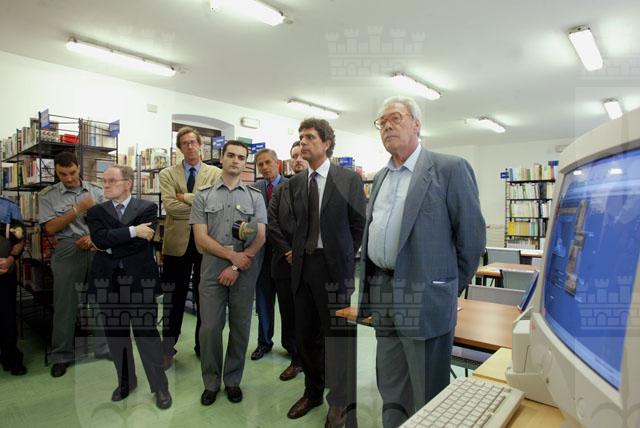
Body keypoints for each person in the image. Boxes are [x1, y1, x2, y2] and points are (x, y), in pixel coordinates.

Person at [358, 96, 486, 427]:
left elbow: (472, 240)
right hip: (383, 290)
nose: (387, 126)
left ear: (417, 124)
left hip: (425, 297)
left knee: (428, 393)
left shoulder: (450, 169)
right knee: (390, 384)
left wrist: (445, 286)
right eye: (382, 122)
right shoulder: (381, 177)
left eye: (395, 118)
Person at [286, 119, 366, 428]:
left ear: (327, 143)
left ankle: (340, 401)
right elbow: (297, 225)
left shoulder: (349, 180)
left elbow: (358, 226)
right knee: (306, 337)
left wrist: (343, 256)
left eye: (310, 137)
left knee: (338, 339)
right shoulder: (296, 183)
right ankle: (313, 392)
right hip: (303, 268)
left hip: (334, 270)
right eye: (301, 137)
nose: (303, 142)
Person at [85, 165, 172, 409]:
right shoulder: (95, 211)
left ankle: (160, 386)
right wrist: (133, 231)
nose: (106, 185)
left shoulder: (147, 208)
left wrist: (109, 245)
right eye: (104, 181)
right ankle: (126, 382)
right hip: (107, 281)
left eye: (111, 180)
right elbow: (99, 239)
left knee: (147, 334)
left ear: (127, 183)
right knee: (116, 334)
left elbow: (139, 244)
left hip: (140, 281)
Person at [190, 140, 266, 406]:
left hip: (244, 270)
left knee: (240, 327)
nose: (236, 160)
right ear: (221, 158)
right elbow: (201, 238)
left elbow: (260, 237)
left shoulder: (255, 197)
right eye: (231, 155)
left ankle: (233, 380)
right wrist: (232, 257)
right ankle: (211, 382)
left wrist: (236, 265)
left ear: (246, 163)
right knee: (210, 328)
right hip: (212, 269)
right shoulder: (203, 195)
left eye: (241, 157)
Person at [38, 151, 109, 378]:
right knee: (65, 306)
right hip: (68, 249)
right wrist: (77, 209)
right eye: (62, 174)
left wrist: (95, 237)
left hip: (96, 248)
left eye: (72, 172)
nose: (68, 178)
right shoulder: (48, 195)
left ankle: (103, 348)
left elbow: (110, 222)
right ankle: (62, 356)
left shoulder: (97, 191)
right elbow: (50, 228)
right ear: (56, 172)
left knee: (101, 302)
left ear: (79, 168)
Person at [160, 126, 221, 369]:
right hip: (177, 245)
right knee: (172, 299)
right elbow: (170, 207)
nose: (190, 146)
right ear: (180, 148)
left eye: (193, 142)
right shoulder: (167, 174)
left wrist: (184, 197)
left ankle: (202, 345)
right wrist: (200, 205)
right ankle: (167, 348)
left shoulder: (215, 173)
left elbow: (215, 205)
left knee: (205, 297)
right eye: (184, 143)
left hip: (206, 243)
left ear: (200, 145)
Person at [266, 141, 308, 380]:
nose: (298, 159)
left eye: (302, 154)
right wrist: (288, 251)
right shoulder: (281, 190)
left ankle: (314, 361)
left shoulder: (319, 188)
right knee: (289, 314)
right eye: (294, 156)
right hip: (284, 263)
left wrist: (301, 253)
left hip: (311, 263)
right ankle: (296, 358)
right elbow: (272, 223)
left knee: (309, 315)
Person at [250, 148, 287, 361]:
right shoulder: (255, 189)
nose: (264, 167)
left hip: (284, 256)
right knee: (263, 301)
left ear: (277, 163)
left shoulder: (291, 186)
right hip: (262, 255)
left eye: (268, 163)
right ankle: (264, 343)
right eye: (260, 164)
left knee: (287, 303)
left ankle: (291, 344)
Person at [0, 196, 27, 376]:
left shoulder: (9, 206)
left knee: (7, 316)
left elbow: (21, 238)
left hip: (4, 271)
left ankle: (10, 356)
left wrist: (11, 259)